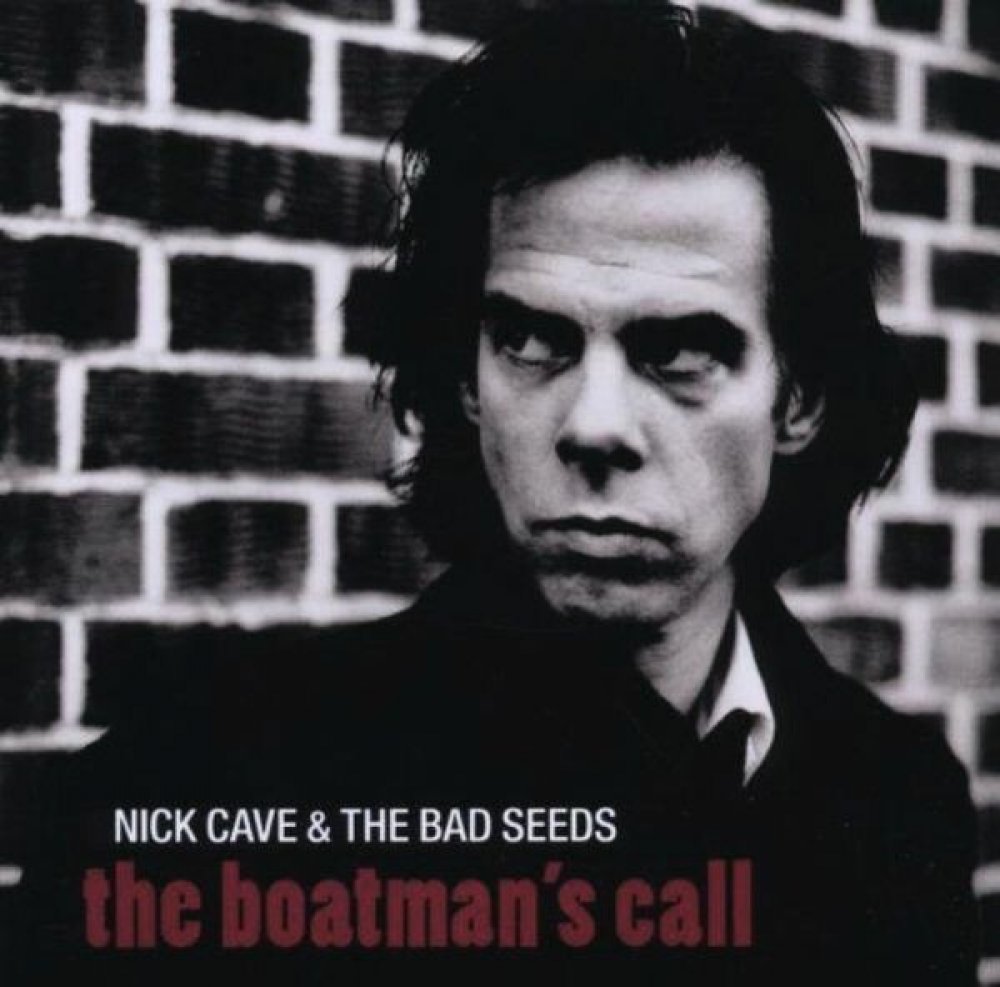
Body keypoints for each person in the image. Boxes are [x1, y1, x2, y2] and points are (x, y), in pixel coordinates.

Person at [6, 4, 979, 984]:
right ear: (466, 381)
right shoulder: (210, 794)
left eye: (680, 350)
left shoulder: (899, 805)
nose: (595, 426)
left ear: (798, 397)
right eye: (531, 339)